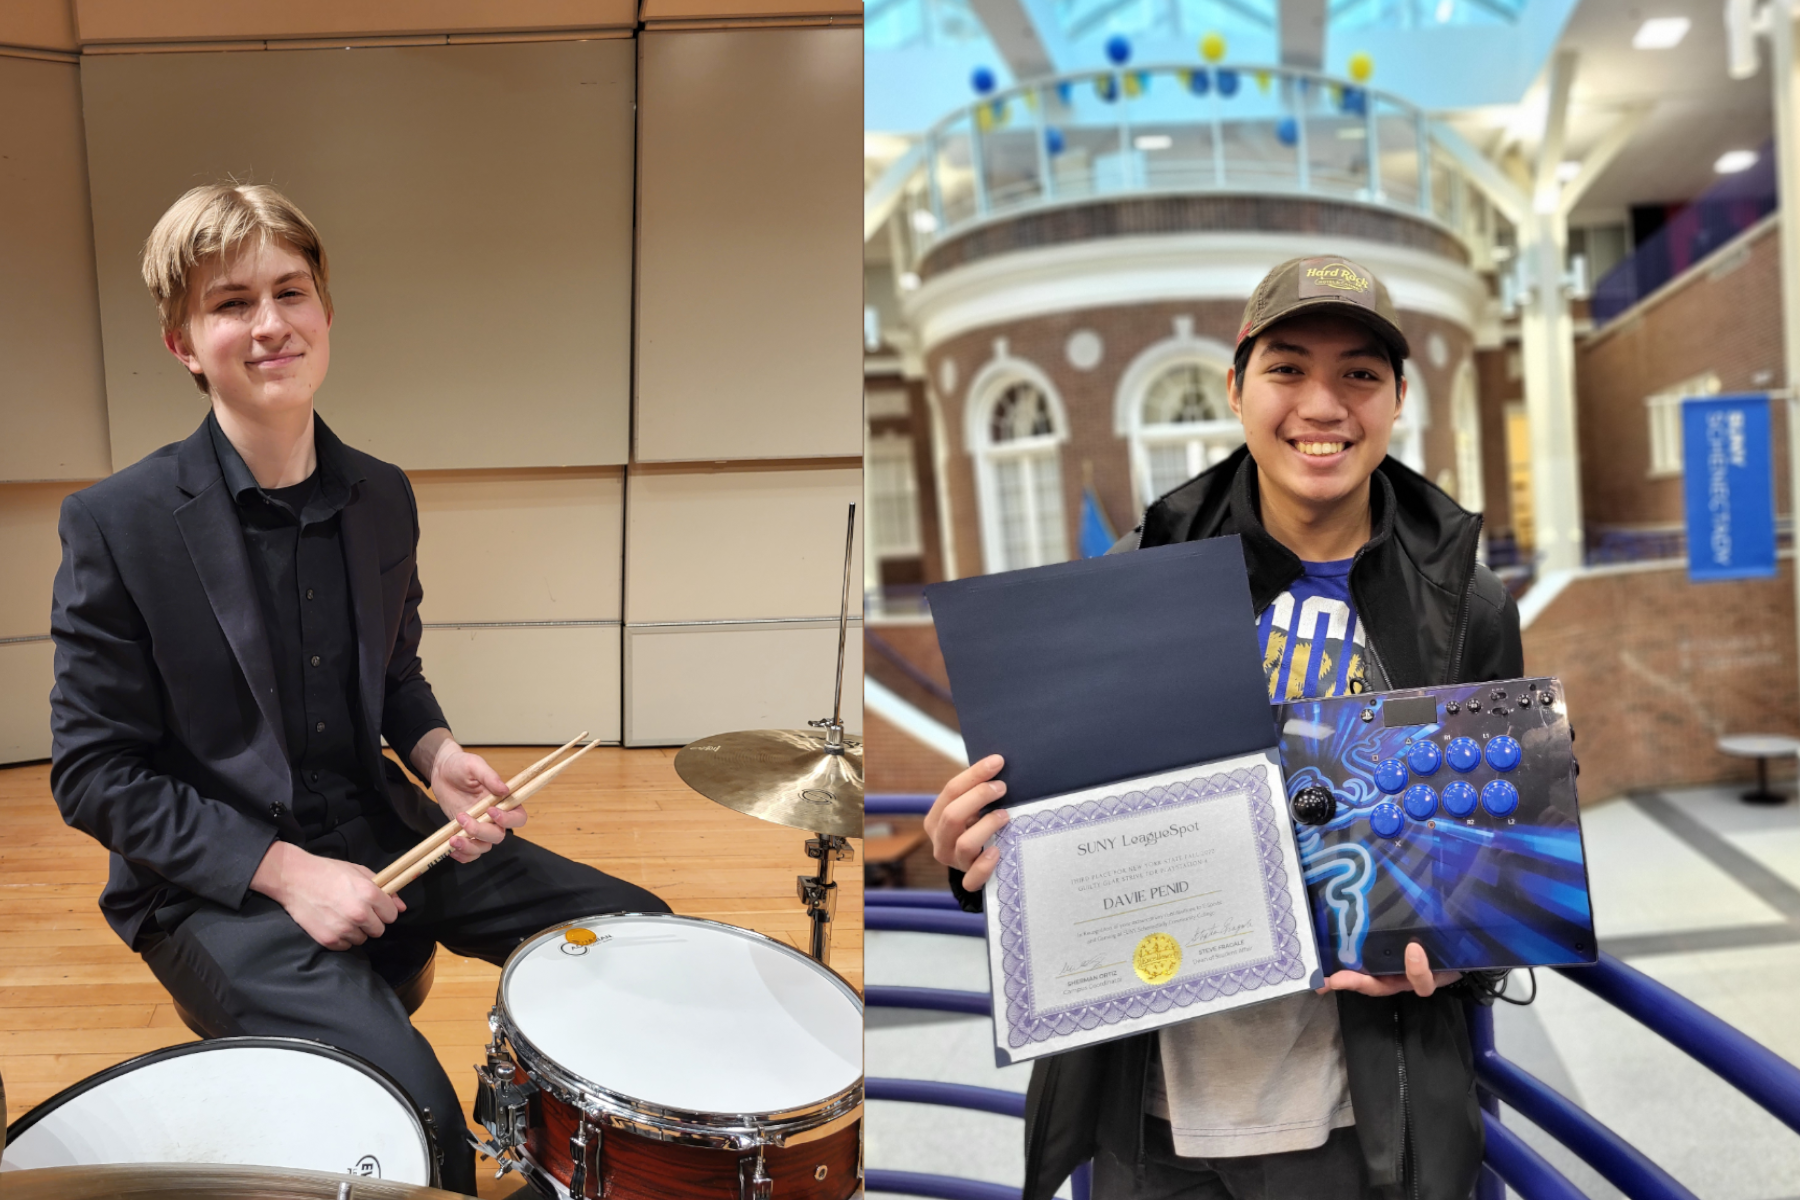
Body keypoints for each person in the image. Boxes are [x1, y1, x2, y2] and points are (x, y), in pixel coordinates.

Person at [49, 183, 668, 1194]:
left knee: (647, 941)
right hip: (216, 889)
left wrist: (437, 756)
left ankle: (546, 1138)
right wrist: (287, 871)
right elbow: (92, 774)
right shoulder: (116, 523)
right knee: (417, 1117)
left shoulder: (381, 492)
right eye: (230, 303)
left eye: (290, 292)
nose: (269, 324)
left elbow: (393, 674)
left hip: (385, 831)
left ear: (326, 312)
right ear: (183, 343)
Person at [924, 256, 1519, 1200]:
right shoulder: (1131, 582)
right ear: (1236, 389)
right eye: (1288, 369)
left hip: (1357, 1109)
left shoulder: (1465, 605)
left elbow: (1494, 850)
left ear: (1398, 397)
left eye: (1360, 373)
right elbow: (1063, 822)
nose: (1322, 404)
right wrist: (976, 857)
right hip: (1152, 1104)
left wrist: (1457, 949)